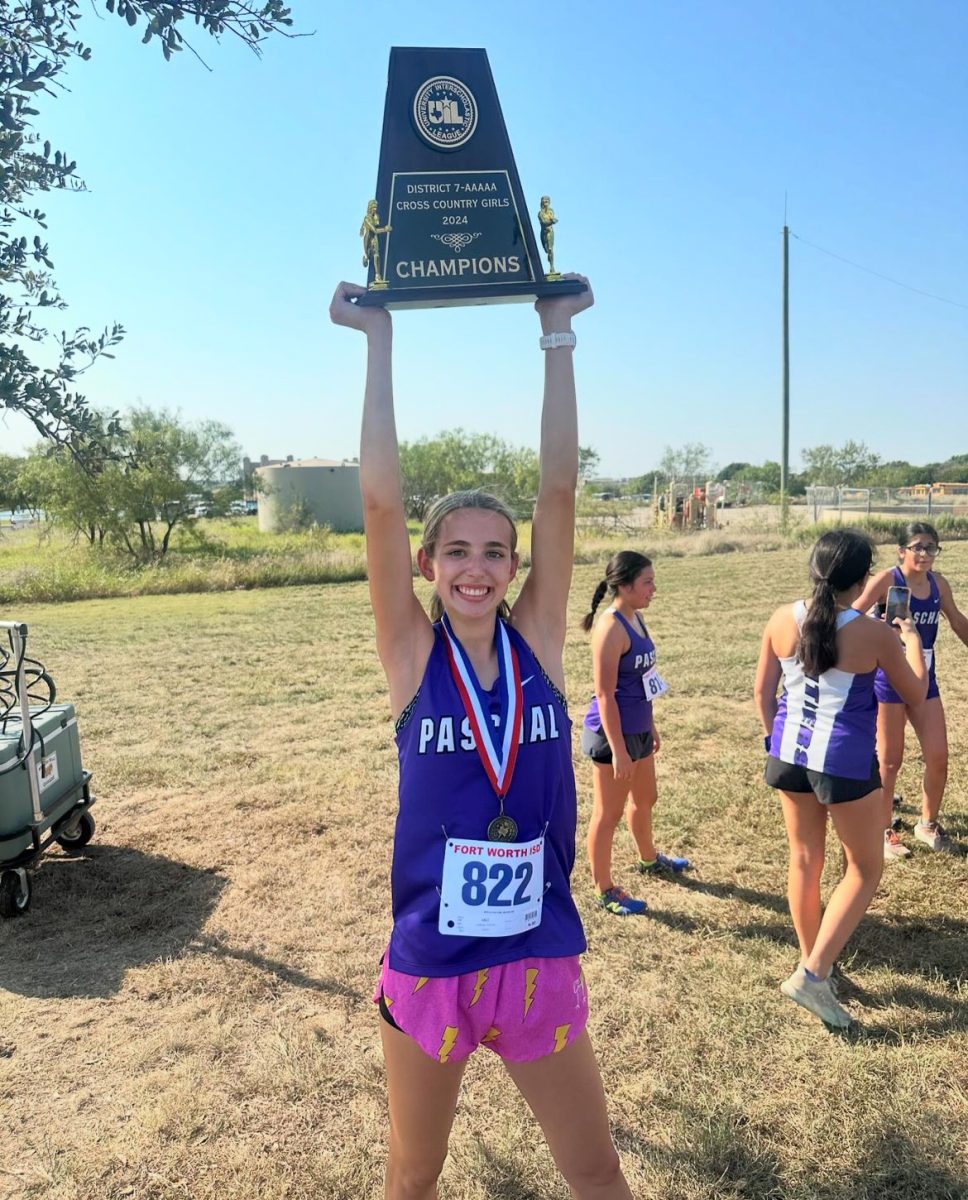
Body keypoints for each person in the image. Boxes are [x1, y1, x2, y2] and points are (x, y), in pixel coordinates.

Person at [329, 276, 635, 1200]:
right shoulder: (410, 657)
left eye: (495, 550)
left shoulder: (538, 639)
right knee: (413, 1174)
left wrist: (557, 337)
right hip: (430, 962)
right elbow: (381, 504)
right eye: (456, 551)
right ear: (429, 564)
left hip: (537, 951)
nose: (476, 566)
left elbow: (558, 487)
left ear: (515, 566)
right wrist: (377, 342)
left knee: (595, 1170)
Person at [754, 529, 927, 1028]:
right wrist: (910, 639)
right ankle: (813, 973)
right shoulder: (874, 634)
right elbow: (914, 693)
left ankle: (815, 963)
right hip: (845, 763)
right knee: (865, 868)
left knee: (805, 858)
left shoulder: (780, 618)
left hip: (788, 756)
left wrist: (776, 740)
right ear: (862, 578)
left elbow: (761, 695)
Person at [580, 551, 689, 917]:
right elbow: (604, 695)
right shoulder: (610, 628)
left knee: (646, 799)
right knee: (607, 814)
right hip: (613, 737)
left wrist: (650, 725)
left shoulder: (636, 618)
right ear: (624, 586)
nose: (653, 589)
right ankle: (604, 889)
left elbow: (642, 681)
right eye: (647, 583)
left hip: (637, 731)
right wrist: (619, 750)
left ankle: (648, 859)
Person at [854, 521, 968, 859]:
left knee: (938, 756)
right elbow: (851, 615)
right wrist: (877, 629)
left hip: (925, 680)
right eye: (917, 546)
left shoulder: (938, 585)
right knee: (889, 761)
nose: (924, 553)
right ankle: (883, 830)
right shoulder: (888, 581)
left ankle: (927, 824)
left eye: (931, 546)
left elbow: (959, 622)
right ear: (901, 550)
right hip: (888, 679)